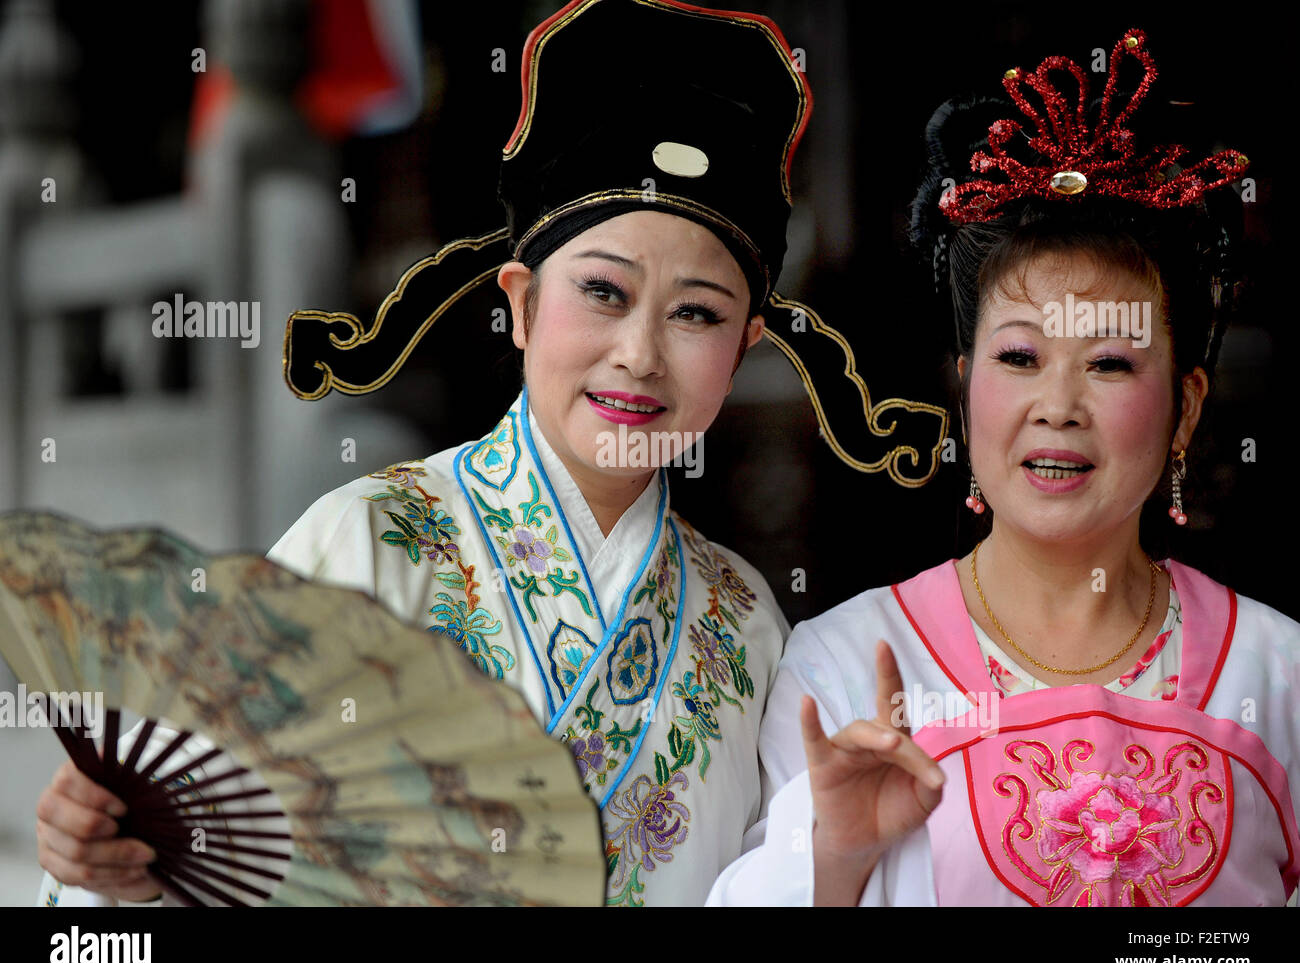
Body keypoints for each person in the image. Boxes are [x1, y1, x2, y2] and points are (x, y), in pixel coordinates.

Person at [33, 0, 945, 907]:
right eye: (602, 291)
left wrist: (834, 853)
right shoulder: (369, 545)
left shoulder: (744, 627)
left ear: (745, 344)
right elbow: (194, 843)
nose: (639, 351)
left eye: (696, 312)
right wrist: (116, 863)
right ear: (520, 302)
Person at [709, 27, 1300, 906]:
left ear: (1188, 405)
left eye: (1110, 363)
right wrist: (834, 860)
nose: (1056, 405)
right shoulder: (846, 665)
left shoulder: (1277, 672)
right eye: (1020, 359)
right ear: (965, 385)